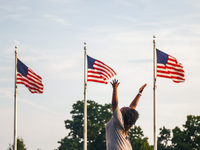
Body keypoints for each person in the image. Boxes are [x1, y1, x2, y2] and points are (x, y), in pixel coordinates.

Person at [105, 79, 147, 150]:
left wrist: (115, 89)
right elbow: (133, 107)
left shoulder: (119, 119)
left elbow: (114, 104)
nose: (125, 106)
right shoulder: (128, 123)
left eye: (125, 108)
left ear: (124, 113)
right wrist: (139, 93)